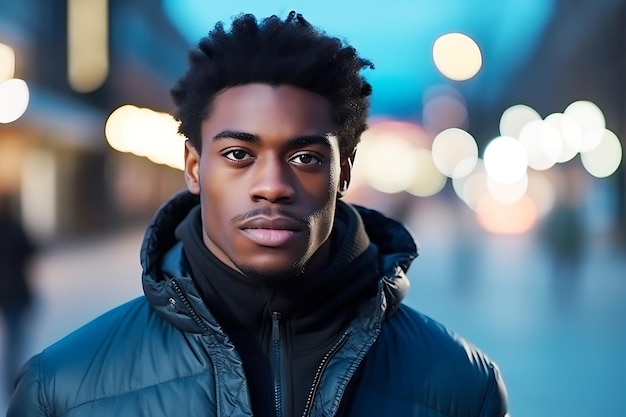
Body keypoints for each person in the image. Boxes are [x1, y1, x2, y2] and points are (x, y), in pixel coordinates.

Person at [7, 11, 508, 416]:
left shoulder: (462, 387)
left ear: (344, 173)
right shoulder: (64, 391)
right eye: (239, 155)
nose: (272, 186)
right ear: (194, 168)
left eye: (305, 158)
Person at [0, 193, 35, 402]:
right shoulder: (15, 228)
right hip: (17, 292)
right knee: (16, 340)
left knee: (13, 338)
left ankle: (10, 380)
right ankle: (13, 381)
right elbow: (30, 250)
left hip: (4, 293)